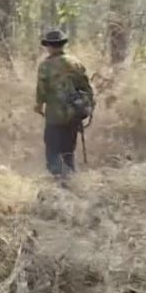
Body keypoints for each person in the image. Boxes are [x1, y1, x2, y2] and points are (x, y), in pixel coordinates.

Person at [34, 29, 94, 182]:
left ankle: (59, 181)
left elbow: (42, 90)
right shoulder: (76, 63)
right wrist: (87, 108)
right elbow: (87, 89)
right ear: (62, 44)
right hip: (74, 115)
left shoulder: (45, 66)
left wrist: (39, 106)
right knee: (68, 152)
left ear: (48, 45)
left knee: (52, 151)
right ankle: (71, 181)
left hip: (55, 116)